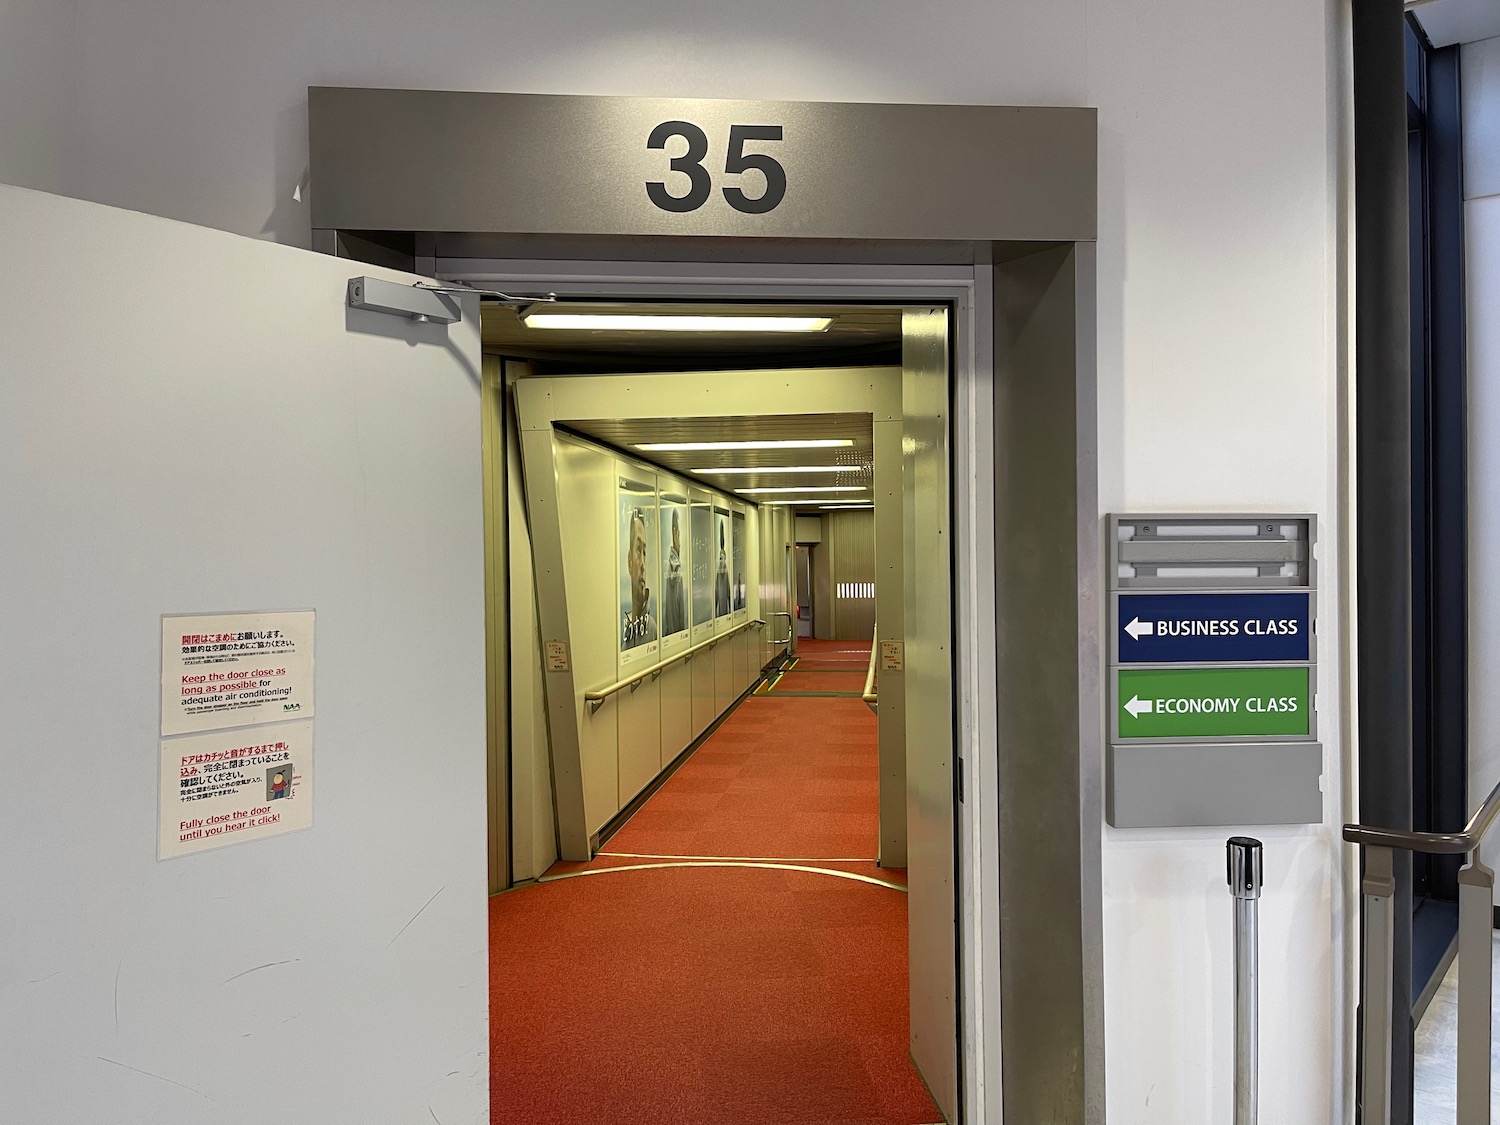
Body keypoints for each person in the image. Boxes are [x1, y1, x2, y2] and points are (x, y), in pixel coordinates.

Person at [622, 507, 657, 649]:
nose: (643, 563)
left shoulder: (651, 629)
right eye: (638, 550)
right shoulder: (626, 639)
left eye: (644, 552)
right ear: (630, 562)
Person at [661, 509, 686, 635]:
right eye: (679, 535)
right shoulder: (675, 565)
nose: (680, 542)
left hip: (672, 630)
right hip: (676, 630)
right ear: (675, 533)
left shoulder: (673, 563)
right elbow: (678, 604)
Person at [713, 523, 732, 617]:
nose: (721, 561)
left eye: (722, 558)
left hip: (725, 609)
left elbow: (728, 591)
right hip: (720, 609)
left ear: (725, 559)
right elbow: (716, 591)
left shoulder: (727, 572)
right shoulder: (718, 573)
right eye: (719, 559)